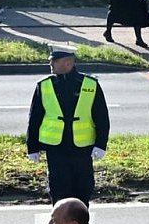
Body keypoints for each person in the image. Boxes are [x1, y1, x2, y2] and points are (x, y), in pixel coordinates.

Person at [26, 45, 110, 205]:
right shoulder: (44, 85)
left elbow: (102, 117)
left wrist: (101, 144)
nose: (50, 65)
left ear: (68, 62)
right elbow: (35, 118)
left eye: (54, 61)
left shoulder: (89, 84)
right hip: (56, 148)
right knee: (59, 189)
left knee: (83, 189)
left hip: (82, 148)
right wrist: (32, 147)